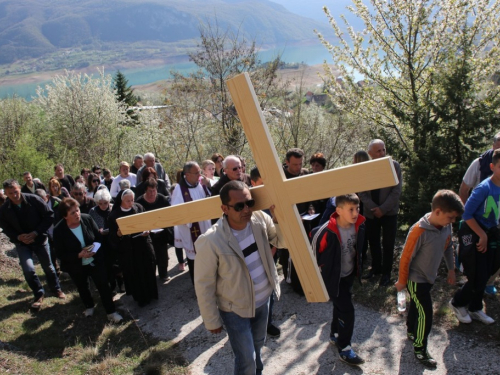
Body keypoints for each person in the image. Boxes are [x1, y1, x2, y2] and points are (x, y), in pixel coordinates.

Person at [195, 181, 284, 375]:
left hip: (263, 301)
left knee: (258, 345)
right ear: (224, 208)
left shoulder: (260, 219)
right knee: (246, 359)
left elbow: (281, 241)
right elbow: (204, 285)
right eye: (239, 206)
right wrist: (212, 321)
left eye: (249, 203)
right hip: (235, 310)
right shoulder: (211, 241)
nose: (246, 209)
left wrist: (278, 220)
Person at [395, 190, 464, 368]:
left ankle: (411, 331)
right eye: (451, 217)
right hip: (416, 280)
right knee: (425, 313)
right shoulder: (419, 231)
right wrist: (402, 281)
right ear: (438, 211)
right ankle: (420, 349)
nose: (453, 221)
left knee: (417, 307)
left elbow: (448, 246)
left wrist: (451, 269)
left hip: (430, 277)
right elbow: (405, 258)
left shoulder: (446, 226)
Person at [310, 194, 365, 366]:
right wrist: (317, 275)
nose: (355, 213)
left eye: (357, 208)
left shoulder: (360, 225)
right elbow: (312, 253)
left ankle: (334, 334)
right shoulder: (325, 231)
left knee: (339, 306)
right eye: (351, 209)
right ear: (338, 210)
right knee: (347, 311)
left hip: (348, 274)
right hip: (333, 277)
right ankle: (345, 347)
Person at [450, 149, 500, 325]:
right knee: (477, 275)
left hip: (491, 233)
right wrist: (481, 235)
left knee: (486, 272)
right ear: (493, 167)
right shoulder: (484, 188)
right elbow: (467, 214)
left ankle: (475, 307)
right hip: (474, 234)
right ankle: (457, 303)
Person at [53, 198, 123, 323]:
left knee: (103, 285)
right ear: (65, 216)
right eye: (72, 213)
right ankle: (89, 306)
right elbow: (60, 253)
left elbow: (98, 237)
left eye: (77, 210)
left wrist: (95, 249)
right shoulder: (59, 230)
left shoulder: (87, 218)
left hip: (95, 260)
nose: (77, 214)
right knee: (82, 286)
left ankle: (111, 312)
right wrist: (78, 255)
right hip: (76, 265)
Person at [0, 179, 65, 310]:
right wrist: (18, 236)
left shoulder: (34, 199)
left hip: (40, 239)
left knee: (49, 267)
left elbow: (49, 215)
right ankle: (38, 293)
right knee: (28, 269)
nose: (14, 195)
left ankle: (56, 288)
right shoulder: (4, 209)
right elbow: (5, 227)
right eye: (10, 193)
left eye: (16, 191)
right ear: (6, 194)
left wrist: (36, 232)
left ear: (19, 188)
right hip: (22, 243)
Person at [458, 132, 500, 295]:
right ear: (493, 145)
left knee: (495, 258)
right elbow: (464, 189)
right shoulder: (480, 163)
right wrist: (465, 216)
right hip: (478, 222)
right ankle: (469, 293)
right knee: (478, 261)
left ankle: (488, 283)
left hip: (495, 222)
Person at [359, 139, 402, 287]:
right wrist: (374, 209)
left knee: (388, 243)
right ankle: (376, 269)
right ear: (370, 153)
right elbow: (362, 193)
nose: (382, 153)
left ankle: (386, 273)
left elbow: (396, 191)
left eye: (383, 149)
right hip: (371, 214)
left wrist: (383, 209)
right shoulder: (364, 168)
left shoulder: (394, 166)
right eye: (378, 151)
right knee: (374, 242)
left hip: (389, 213)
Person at [108, 189, 158, 307]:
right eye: (127, 201)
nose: (131, 203)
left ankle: (152, 294)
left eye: (132, 200)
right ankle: (141, 299)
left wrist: (147, 231)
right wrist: (118, 234)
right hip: (129, 251)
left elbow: (147, 223)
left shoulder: (138, 208)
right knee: (136, 275)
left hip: (143, 245)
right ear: (121, 201)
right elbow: (112, 237)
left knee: (148, 270)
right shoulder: (114, 216)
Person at [250, 166, 281, 338]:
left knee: (270, 285)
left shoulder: (272, 198)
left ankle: (267, 322)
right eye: (261, 184)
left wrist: (273, 249)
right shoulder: (250, 203)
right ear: (253, 183)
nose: (265, 189)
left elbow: (276, 232)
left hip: (271, 251)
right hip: (254, 257)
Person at [172, 161, 211, 283]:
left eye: (200, 172)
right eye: (196, 173)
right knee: (195, 261)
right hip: (191, 230)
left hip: (205, 226)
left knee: (209, 257)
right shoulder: (179, 190)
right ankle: (198, 286)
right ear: (187, 175)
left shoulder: (201, 184)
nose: (199, 175)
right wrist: (190, 219)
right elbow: (176, 213)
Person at [136, 178, 173, 282]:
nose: (152, 193)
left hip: (161, 232)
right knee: (150, 256)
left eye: (154, 190)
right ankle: (151, 276)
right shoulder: (139, 202)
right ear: (145, 191)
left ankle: (163, 274)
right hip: (147, 233)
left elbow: (168, 213)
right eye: (149, 191)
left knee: (162, 255)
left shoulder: (162, 199)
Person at [89, 188, 124, 294]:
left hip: (114, 240)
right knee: (107, 265)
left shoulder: (114, 208)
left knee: (118, 264)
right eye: (101, 203)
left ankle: (121, 284)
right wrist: (98, 230)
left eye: (106, 203)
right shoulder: (93, 211)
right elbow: (91, 227)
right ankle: (112, 286)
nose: (104, 205)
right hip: (102, 242)